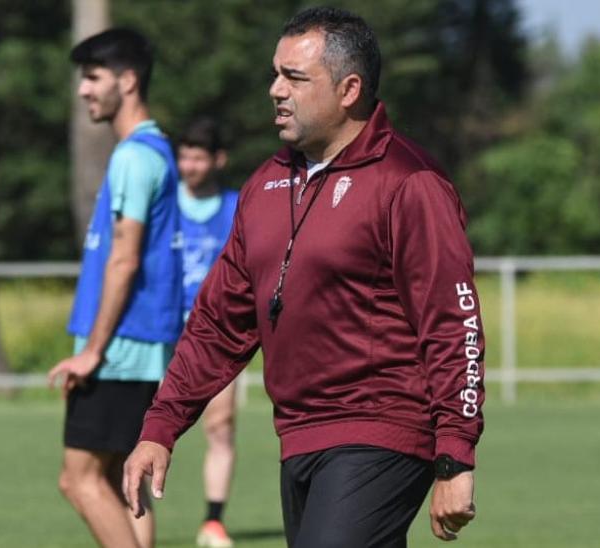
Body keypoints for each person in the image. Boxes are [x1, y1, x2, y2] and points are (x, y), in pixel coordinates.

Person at [122, 7, 485, 546]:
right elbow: (219, 323)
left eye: (294, 77)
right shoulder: (266, 185)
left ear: (349, 89)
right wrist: (161, 426)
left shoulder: (410, 183)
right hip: (298, 437)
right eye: (275, 73)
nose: (275, 89)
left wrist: (455, 455)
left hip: (382, 429)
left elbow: (453, 325)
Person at [47, 28, 183, 548]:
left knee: (78, 479)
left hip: (122, 349)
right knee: (119, 478)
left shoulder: (133, 157)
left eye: (92, 77)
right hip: (142, 345)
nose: (83, 90)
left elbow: (124, 260)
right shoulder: (154, 150)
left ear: (127, 81)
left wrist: (93, 351)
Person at [175, 118, 240, 548]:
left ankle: (213, 520)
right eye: (184, 156)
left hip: (216, 334)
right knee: (138, 425)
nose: (189, 165)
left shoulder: (237, 206)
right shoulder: (164, 205)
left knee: (220, 424)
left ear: (218, 160)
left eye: (199, 157)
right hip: (162, 333)